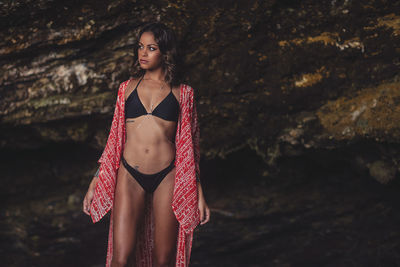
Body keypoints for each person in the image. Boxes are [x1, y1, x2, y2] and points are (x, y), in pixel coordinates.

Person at [82, 22, 210, 267]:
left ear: (165, 52)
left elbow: (190, 148)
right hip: (130, 174)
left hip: (168, 176)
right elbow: (114, 139)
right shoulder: (126, 88)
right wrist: (97, 179)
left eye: (151, 48)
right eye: (140, 47)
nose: (143, 53)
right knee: (120, 258)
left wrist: (198, 192)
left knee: (163, 260)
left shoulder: (184, 93)